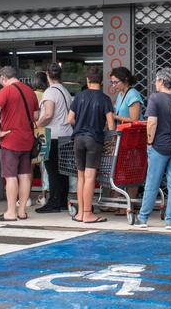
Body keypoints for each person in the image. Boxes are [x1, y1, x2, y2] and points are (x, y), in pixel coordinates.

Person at [135, 68, 171, 230]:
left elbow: (151, 122)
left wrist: (149, 142)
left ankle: (143, 218)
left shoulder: (155, 98)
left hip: (160, 146)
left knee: (152, 182)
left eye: (156, 80)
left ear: (162, 81)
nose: (155, 83)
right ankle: (170, 220)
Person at [0, 66, 39, 222]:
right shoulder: (30, 92)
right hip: (27, 139)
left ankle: (11, 212)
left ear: (3, 77)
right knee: (24, 175)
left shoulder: (5, 91)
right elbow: (36, 116)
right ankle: (22, 211)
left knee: (11, 177)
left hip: (10, 139)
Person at [67, 68, 114, 223]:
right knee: (90, 176)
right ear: (101, 82)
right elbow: (111, 124)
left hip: (78, 139)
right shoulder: (105, 99)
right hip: (94, 139)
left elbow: (70, 119)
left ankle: (80, 213)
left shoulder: (79, 96)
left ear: (87, 80)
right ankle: (88, 213)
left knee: (80, 176)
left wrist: (80, 124)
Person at [35, 63, 73, 214]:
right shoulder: (65, 91)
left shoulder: (50, 92)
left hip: (53, 135)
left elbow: (48, 114)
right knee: (62, 170)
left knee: (52, 170)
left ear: (47, 74)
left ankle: (54, 202)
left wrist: (37, 124)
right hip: (66, 133)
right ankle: (62, 200)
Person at [109, 66, 144, 215]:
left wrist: (115, 117)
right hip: (123, 138)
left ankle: (129, 204)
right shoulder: (120, 94)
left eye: (116, 82)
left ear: (125, 80)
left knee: (132, 171)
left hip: (134, 139)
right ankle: (118, 202)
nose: (114, 85)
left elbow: (134, 119)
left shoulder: (133, 94)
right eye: (112, 82)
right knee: (122, 169)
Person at [32, 71, 49, 206]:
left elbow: (33, 115)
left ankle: (25, 197)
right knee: (45, 167)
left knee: (29, 166)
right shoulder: (48, 95)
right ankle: (44, 195)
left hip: (33, 132)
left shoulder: (32, 95)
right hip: (46, 133)